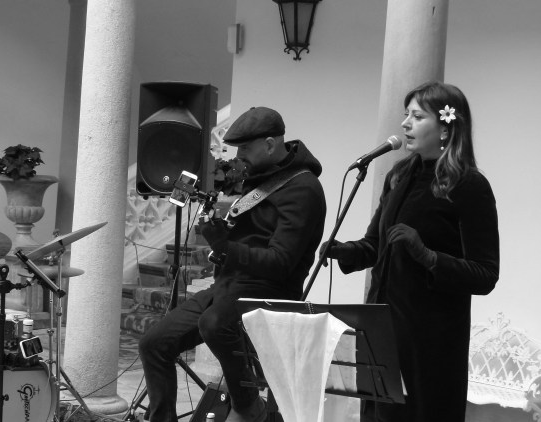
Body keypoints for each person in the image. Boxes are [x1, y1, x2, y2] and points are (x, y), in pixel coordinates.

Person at [321, 82, 499, 422]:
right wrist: (343, 251)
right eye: (406, 115)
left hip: (429, 342)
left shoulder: (469, 186)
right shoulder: (399, 175)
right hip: (380, 330)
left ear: (445, 128)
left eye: (417, 117)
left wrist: (428, 256)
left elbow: (485, 274)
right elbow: (376, 245)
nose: (405, 124)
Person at [139, 107, 327, 422]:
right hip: (230, 286)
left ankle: (248, 405)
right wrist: (221, 236)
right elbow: (250, 236)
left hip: (271, 292)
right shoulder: (262, 177)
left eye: (245, 148)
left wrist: (226, 247)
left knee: (215, 323)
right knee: (154, 344)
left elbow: (281, 263)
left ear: (270, 145)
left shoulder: (302, 188)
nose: (239, 156)